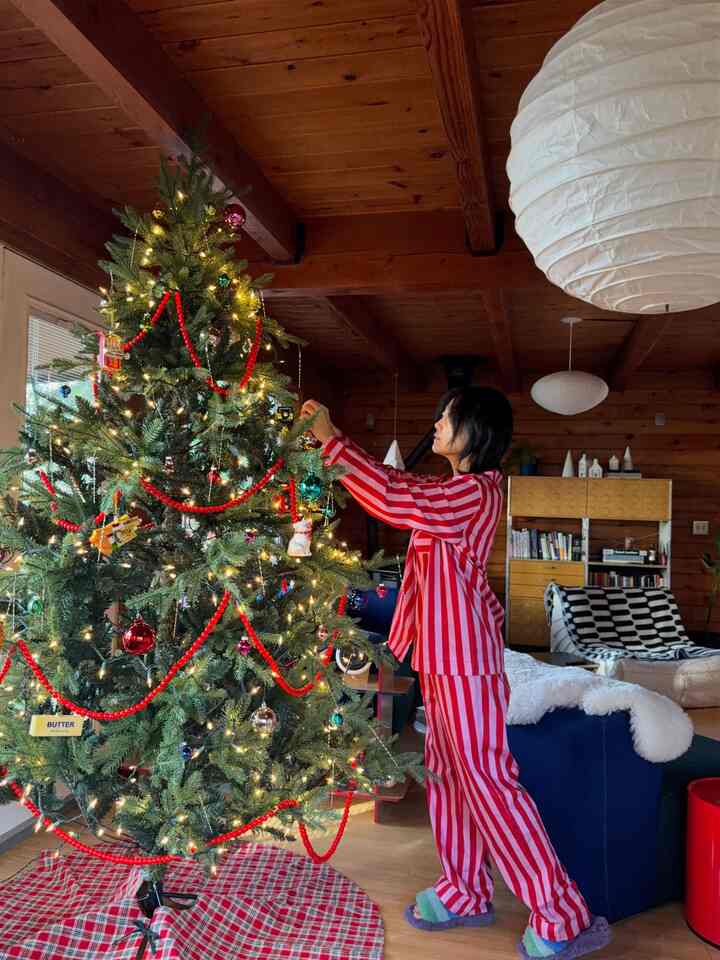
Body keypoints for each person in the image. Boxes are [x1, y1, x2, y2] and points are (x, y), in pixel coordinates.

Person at [301, 388, 611, 960]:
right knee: (446, 776)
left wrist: (330, 437)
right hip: (441, 661)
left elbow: (395, 499)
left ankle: (562, 914)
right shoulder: (453, 491)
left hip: (465, 664)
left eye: (446, 417)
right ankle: (464, 890)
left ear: (476, 431)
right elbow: (407, 497)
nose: (436, 423)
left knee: (489, 783)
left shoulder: (474, 491)